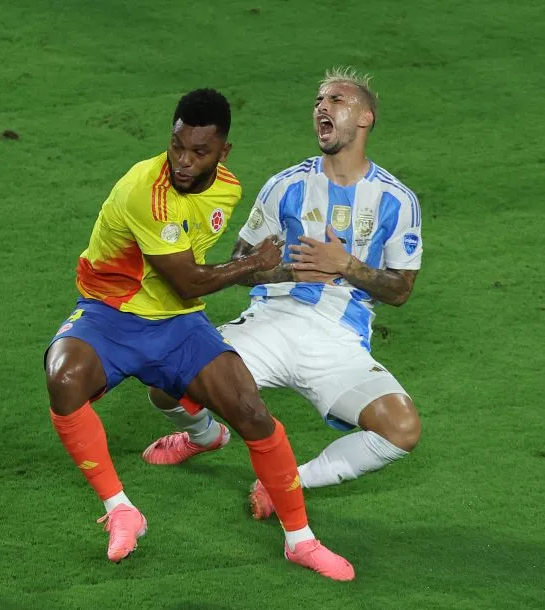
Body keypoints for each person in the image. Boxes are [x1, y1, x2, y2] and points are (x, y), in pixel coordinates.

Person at [44, 88, 354, 581]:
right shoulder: (143, 190)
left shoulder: (227, 189)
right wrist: (252, 263)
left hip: (178, 322)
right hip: (111, 316)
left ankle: (301, 540)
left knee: (252, 410)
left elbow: (189, 281)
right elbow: (187, 277)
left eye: (199, 152)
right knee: (63, 379)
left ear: (223, 152)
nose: (184, 162)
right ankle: (122, 510)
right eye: (177, 146)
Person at [142, 69, 423, 521]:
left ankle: (290, 478)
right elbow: (239, 265)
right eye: (318, 100)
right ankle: (202, 435)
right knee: (162, 381)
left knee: (401, 429)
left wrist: (346, 265)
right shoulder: (286, 185)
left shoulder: (397, 200)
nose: (322, 107)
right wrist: (291, 269)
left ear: (366, 118)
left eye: (336, 99)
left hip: (338, 339)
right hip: (271, 323)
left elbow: (400, 290)